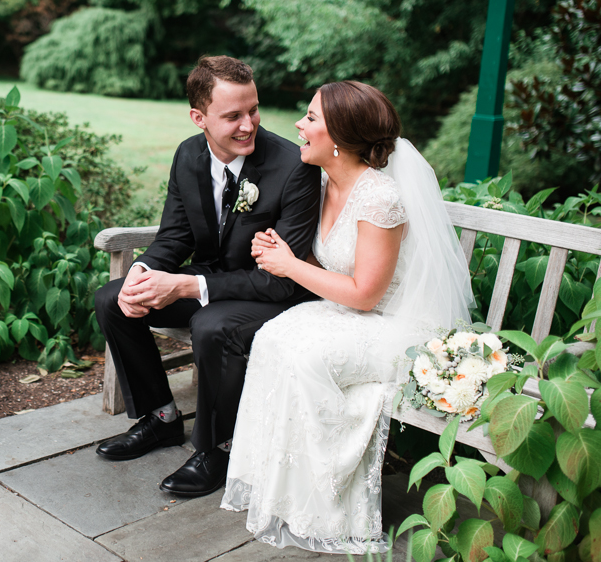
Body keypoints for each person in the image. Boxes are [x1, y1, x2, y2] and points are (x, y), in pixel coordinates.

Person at [220, 81, 474, 553]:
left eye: (311, 118)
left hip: (397, 326)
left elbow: (365, 294)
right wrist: (282, 253)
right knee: (273, 337)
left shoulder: (379, 198)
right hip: (353, 314)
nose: (299, 125)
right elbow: (338, 269)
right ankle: (281, 493)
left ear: (339, 136)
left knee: (306, 355)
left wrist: (291, 266)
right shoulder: (325, 183)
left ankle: (330, 508)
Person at [93, 55, 321, 497]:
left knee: (210, 324)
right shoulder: (188, 154)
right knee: (113, 299)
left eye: (253, 110)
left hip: (271, 292)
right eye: (232, 115)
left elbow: (283, 279)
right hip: (212, 278)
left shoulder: (294, 167)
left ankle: (216, 447)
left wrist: (183, 285)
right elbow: (176, 236)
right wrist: (143, 272)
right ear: (199, 117)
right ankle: (160, 418)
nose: (248, 124)